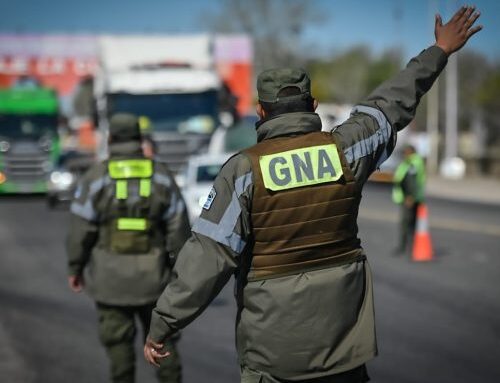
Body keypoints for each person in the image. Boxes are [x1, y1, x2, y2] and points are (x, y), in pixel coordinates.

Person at [144, 6, 482, 383]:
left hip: (275, 355)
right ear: (314, 106)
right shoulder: (347, 149)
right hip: (344, 345)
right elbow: (389, 105)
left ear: (260, 110)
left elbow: (209, 256)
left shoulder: (243, 171)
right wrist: (438, 51)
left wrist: (163, 322)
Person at [67, 113, 190, 383]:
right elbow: (178, 227)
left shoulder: (96, 176)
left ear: (110, 139)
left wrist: (75, 266)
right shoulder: (161, 176)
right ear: (139, 139)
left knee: (118, 345)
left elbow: (81, 229)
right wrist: (182, 273)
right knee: (163, 343)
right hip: (155, 281)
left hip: (110, 282)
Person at [392, 145, 426, 255]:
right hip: (411, 197)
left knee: (407, 223)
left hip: (409, 198)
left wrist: (409, 197)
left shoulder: (413, 163)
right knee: (410, 223)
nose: (403, 155)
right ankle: (408, 247)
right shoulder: (414, 161)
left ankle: (407, 248)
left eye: (405, 152)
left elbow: (411, 181)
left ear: (410, 152)